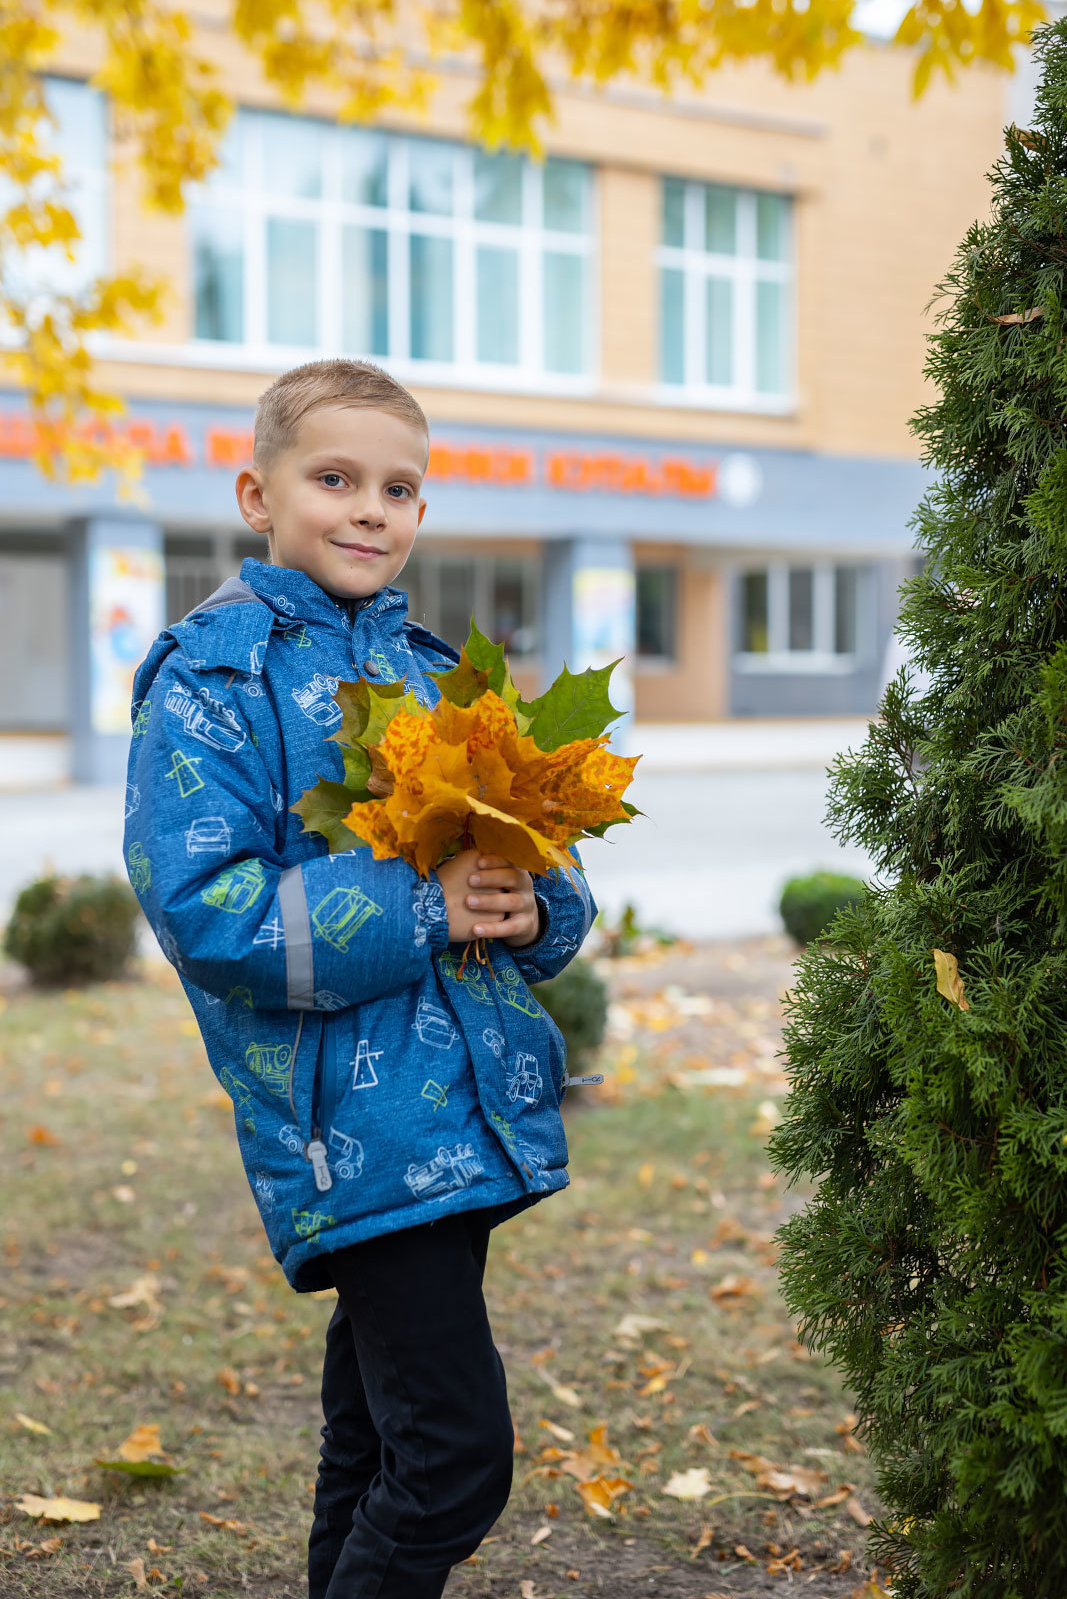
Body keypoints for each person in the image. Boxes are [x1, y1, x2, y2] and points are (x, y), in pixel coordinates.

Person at [122, 358, 595, 1599]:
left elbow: (531, 849)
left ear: (421, 510)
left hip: (461, 1112)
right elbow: (205, 909)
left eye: (396, 488)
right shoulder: (214, 677)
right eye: (333, 479)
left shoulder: (437, 675)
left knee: (375, 1444)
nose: (368, 510)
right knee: (453, 1463)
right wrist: (425, 907)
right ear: (257, 495)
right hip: (353, 1129)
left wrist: (533, 903)